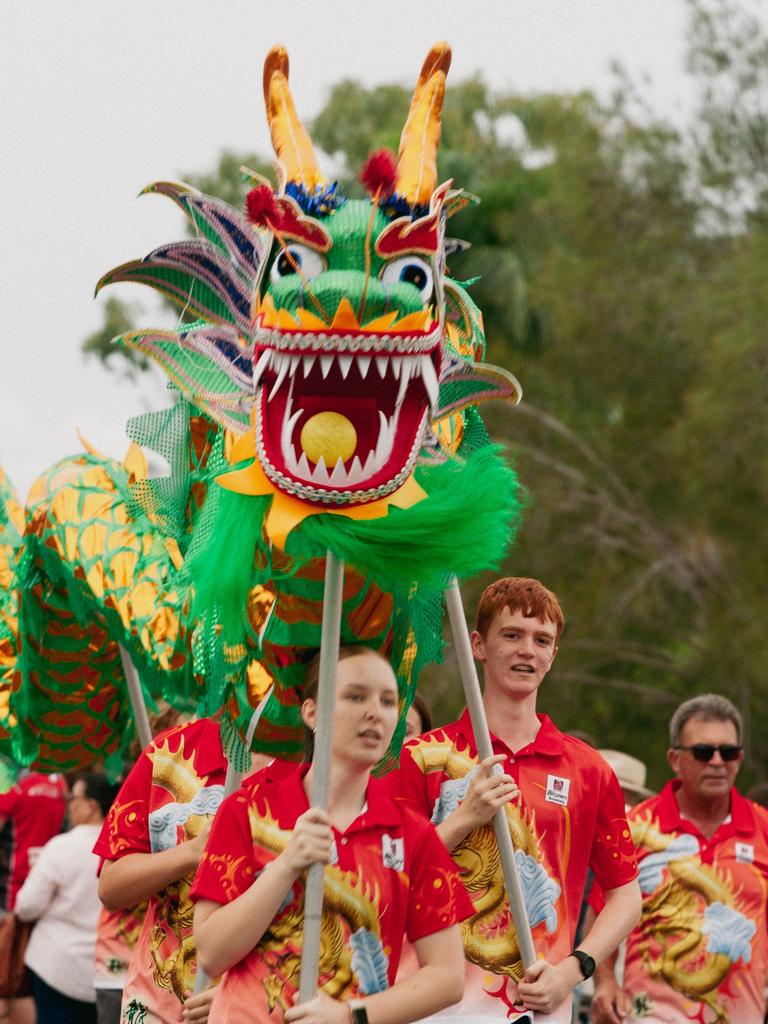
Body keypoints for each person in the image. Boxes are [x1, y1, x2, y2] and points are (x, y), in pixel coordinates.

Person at [392, 576, 641, 1023]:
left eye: (541, 640)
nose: (528, 649)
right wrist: (463, 818)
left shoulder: (587, 770)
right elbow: (385, 877)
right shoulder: (422, 758)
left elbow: (625, 896)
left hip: (537, 1006)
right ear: (478, 645)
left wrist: (572, 972)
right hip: (430, 1005)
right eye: (512, 635)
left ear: (552, 656)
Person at [191, 645, 473, 1024]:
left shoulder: (413, 833)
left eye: (389, 701)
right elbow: (211, 954)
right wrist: (286, 865)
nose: (375, 712)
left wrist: (349, 1016)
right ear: (312, 712)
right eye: (355, 696)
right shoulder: (247, 810)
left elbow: (447, 976)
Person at [591, 693, 768, 1024]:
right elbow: (600, 913)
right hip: (649, 1014)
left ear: (740, 759)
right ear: (675, 758)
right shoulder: (636, 829)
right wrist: (604, 983)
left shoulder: (764, 831)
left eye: (728, 752)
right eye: (703, 752)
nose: (717, 762)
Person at [94, 718, 227, 1024]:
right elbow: (111, 886)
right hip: (156, 1004)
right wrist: (191, 853)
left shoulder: (316, 765)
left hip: (258, 1005)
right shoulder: (171, 753)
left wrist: (240, 992)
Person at [15, 772, 118, 1024]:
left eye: (74, 799)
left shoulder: (62, 846)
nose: (69, 804)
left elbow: (26, 906)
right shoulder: (122, 848)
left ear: (92, 805)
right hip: (105, 971)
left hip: (55, 967)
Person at [0, 767, 67, 1024]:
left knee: (11, 977)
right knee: (24, 976)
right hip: (49, 892)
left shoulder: (13, 785)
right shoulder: (60, 784)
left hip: (12, 893)